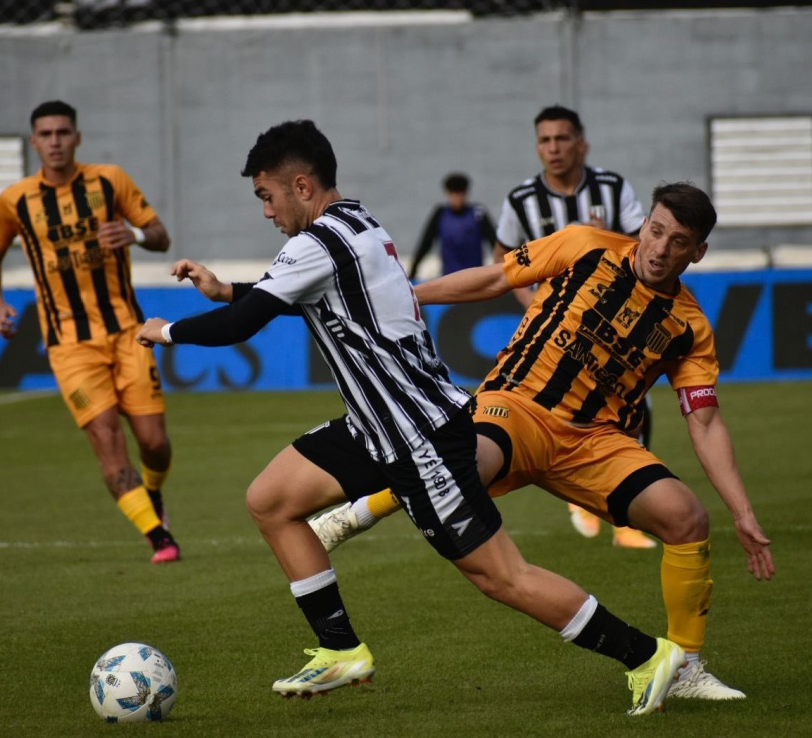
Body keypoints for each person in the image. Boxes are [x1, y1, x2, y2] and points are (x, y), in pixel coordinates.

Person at [136, 119, 685, 715]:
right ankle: (340, 650)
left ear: (299, 185)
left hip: (419, 438)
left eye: (265, 197)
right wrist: (229, 289)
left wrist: (166, 330)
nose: (265, 212)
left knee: (502, 577)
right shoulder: (360, 224)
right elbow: (312, 297)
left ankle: (646, 656)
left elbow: (246, 326)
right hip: (378, 427)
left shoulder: (315, 243)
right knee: (271, 500)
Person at [309, 182, 776, 701]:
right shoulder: (584, 245)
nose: (661, 249)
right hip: (519, 406)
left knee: (687, 518)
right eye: (656, 230)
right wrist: (404, 296)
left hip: (596, 443)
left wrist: (742, 512)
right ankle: (357, 513)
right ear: (643, 225)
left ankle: (684, 668)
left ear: (698, 252)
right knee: (463, 466)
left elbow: (705, 423)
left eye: (679, 241)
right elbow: (494, 278)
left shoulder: (689, 327)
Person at [0, 100, 180, 564]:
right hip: (68, 344)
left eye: (63, 132)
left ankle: (153, 495)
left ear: (77, 138)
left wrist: (135, 235)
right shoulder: (15, 200)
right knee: (106, 437)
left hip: (129, 332)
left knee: (154, 442)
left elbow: (160, 235)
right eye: (45, 134)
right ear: (33, 142)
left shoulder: (110, 180)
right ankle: (158, 537)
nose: (55, 141)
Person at [500, 104, 655, 547]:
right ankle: (580, 494)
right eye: (545, 140)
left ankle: (624, 517)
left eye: (562, 138)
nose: (554, 148)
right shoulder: (521, 200)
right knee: (541, 408)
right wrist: (533, 306)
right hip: (552, 330)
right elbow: (504, 257)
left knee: (633, 410)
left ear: (581, 143)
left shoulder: (611, 187)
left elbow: (638, 248)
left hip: (609, 327)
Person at [407, 172, 496, 281]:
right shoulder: (440, 214)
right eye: (454, 194)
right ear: (448, 194)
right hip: (449, 278)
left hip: (475, 279)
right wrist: (412, 272)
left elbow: (495, 244)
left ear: (466, 194)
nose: (457, 198)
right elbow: (425, 244)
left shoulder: (478, 213)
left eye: (460, 194)